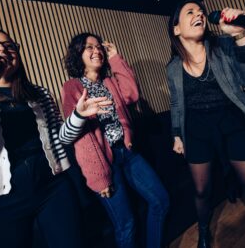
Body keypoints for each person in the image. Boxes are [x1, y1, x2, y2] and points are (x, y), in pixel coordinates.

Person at [0, 26, 112, 248]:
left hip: (53, 186)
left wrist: (78, 116)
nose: (2, 49)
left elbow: (61, 139)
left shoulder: (39, 94)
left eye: (10, 46)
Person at [166, 0, 245, 248]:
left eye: (201, 10)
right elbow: (177, 104)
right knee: (202, 191)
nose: (199, 13)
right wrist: (177, 135)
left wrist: (242, 35)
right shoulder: (172, 68)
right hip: (197, 129)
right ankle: (204, 230)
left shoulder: (224, 46)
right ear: (176, 29)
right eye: (190, 11)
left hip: (231, 122)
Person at [60, 32, 170, 248]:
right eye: (89, 47)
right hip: (104, 163)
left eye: (98, 46)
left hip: (128, 153)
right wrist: (99, 178)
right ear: (77, 54)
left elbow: (131, 94)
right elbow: (83, 139)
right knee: (126, 225)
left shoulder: (109, 82)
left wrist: (115, 58)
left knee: (161, 201)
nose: (97, 50)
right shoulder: (72, 87)